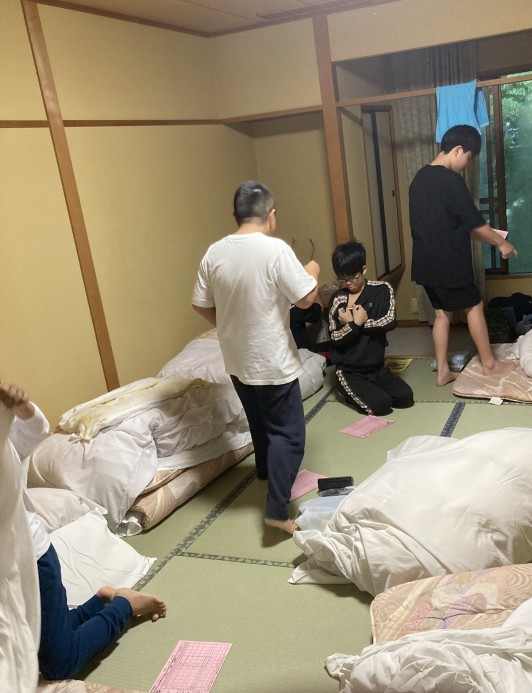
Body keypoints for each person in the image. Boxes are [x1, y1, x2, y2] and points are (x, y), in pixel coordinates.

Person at [0, 382, 167, 681]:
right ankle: (100, 600)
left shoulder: (4, 445)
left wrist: (19, 406)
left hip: (28, 560)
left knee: (57, 663)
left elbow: (34, 429)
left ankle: (124, 605)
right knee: (26, 644)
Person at [192, 180, 320, 535]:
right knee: (289, 435)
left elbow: (200, 304)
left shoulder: (214, 253)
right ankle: (277, 511)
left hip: (236, 359)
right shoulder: (274, 249)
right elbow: (306, 300)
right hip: (272, 360)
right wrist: (312, 272)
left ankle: (264, 472)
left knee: (259, 422)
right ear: (271, 215)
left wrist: (228, 326)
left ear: (235, 215)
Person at [409, 124, 518, 386]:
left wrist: (493, 238)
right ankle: (490, 364)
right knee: (474, 306)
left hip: (425, 263)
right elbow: (474, 223)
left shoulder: (418, 179)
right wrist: (502, 244)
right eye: (468, 158)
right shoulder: (450, 181)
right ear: (458, 150)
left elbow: (455, 227)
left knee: (442, 314)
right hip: (449, 262)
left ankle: (443, 371)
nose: (466, 164)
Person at [328, 241, 414, 415]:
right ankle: (345, 389)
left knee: (405, 398)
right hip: (349, 371)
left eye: (353, 277)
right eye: (343, 279)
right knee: (381, 406)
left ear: (364, 270)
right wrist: (354, 324)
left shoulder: (382, 289)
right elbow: (335, 338)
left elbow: (389, 322)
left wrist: (356, 323)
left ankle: (366, 390)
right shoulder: (338, 299)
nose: (348, 283)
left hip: (377, 368)